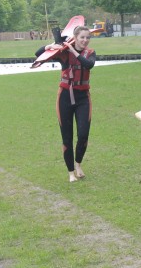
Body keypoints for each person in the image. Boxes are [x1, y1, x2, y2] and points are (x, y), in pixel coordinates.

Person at [35, 25, 96, 183]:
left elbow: (88, 65)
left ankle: (78, 164)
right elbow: (38, 55)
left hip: (83, 98)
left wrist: (73, 50)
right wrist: (50, 46)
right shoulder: (63, 54)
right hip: (65, 98)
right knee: (66, 138)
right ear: (75, 37)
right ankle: (70, 173)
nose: (85, 40)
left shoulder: (90, 53)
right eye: (82, 37)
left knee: (83, 135)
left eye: (87, 37)